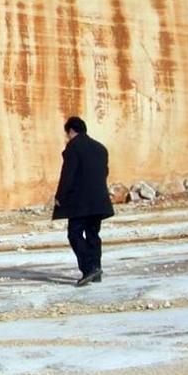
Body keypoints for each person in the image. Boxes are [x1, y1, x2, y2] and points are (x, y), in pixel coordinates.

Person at [52, 117, 115, 287]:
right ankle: (96, 269)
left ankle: (89, 269)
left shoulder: (74, 147)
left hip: (80, 202)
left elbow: (68, 174)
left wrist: (60, 196)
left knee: (75, 234)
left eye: (67, 133)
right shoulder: (100, 148)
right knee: (93, 234)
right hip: (99, 200)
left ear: (71, 130)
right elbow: (104, 172)